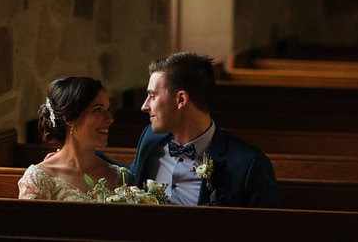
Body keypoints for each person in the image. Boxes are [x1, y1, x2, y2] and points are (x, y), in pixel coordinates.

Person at [131, 52, 281, 207]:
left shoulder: (249, 164)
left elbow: (267, 227)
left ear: (181, 99)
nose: (144, 106)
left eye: (152, 96)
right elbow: (132, 176)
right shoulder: (150, 139)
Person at [17, 76, 128, 201]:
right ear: (70, 118)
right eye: (98, 110)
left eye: (107, 109)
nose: (110, 118)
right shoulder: (40, 179)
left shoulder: (119, 176)